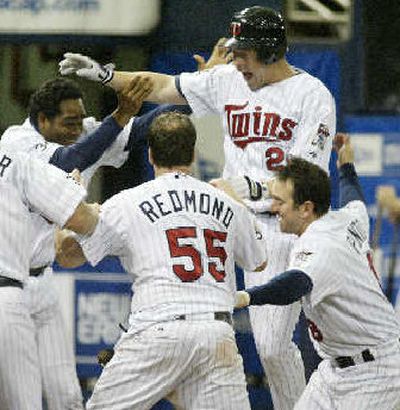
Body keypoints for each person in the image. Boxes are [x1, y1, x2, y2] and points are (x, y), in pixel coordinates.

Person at [58, 6, 336, 408]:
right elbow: (162, 86)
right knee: (204, 325)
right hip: (232, 222)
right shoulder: (227, 80)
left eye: (245, 52)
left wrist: (247, 187)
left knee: (277, 348)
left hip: (285, 227)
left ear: (271, 51)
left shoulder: (312, 96)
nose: (236, 59)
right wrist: (107, 76)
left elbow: (309, 180)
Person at [56, 111, 267, 410]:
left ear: (151, 154)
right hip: (216, 332)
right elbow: (259, 261)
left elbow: (67, 255)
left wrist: (63, 203)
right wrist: (239, 203)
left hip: (158, 330)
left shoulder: (127, 202)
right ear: (193, 154)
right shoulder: (226, 202)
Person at [0, 76, 153, 409]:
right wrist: (118, 118)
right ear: (42, 120)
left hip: (40, 279)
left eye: (78, 121)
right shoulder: (17, 142)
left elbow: (141, 129)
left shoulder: (87, 134)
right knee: (21, 400)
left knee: (67, 396)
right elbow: (69, 161)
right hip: (8, 286)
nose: (75, 129)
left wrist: (194, 91)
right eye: (67, 122)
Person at [235, 135, 400, 409]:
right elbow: (354, 196)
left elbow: (293, 284)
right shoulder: (347, 217)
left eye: (280, 201)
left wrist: (246, 297)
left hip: (375, 373)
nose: (273, 207)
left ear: (306, 209)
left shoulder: (319, 243)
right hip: (334, 370)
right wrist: (346, 165)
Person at [0, 147, 99, 410]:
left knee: (64, 395)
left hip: (33, 281)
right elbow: (80, 219)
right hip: (7, 292)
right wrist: (99, 212)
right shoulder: (15, 158)